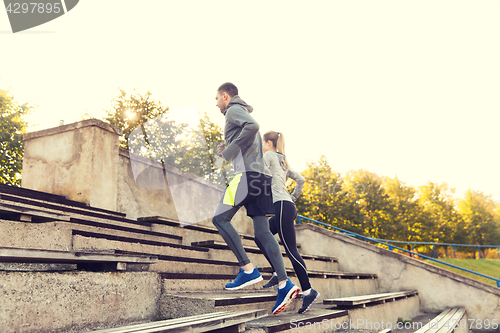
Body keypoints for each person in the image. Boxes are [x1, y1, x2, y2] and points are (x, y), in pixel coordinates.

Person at [212, 82, 300, 315]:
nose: (216, 103)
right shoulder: (238, 112)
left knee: (220, 219)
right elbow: (248, 135)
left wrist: (229, 151)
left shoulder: (232, 109)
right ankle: (285, 283)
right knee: (262, 232)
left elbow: (253, 126)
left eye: (217, 98)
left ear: (225, 95)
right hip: (261, 180)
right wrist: (228, 146)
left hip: (245, 177)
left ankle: (248, 269)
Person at [255, 131, 320, 314]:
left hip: (283, 206)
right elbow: (301, 179)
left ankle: (308, 291)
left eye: (263, 142)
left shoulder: (268, 155)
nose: (262, 146)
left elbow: (258, 171)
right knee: (260, 236)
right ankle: (277, 273)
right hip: (286, 206)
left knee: (291, 250)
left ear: (268, 143)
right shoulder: (283, 160)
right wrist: (293, 197)